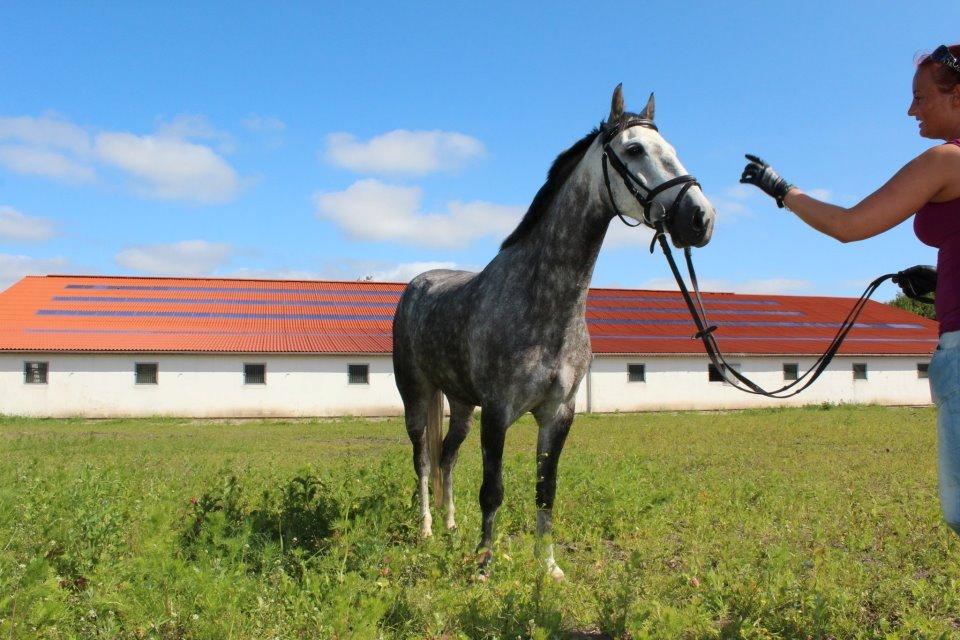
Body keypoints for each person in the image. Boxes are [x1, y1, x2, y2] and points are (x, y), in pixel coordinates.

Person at [739, 44, 960, 537]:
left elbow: (849, 225)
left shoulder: (946, 160)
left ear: (958, 96)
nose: (911, 109)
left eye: (921, 97)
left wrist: (783, 191)